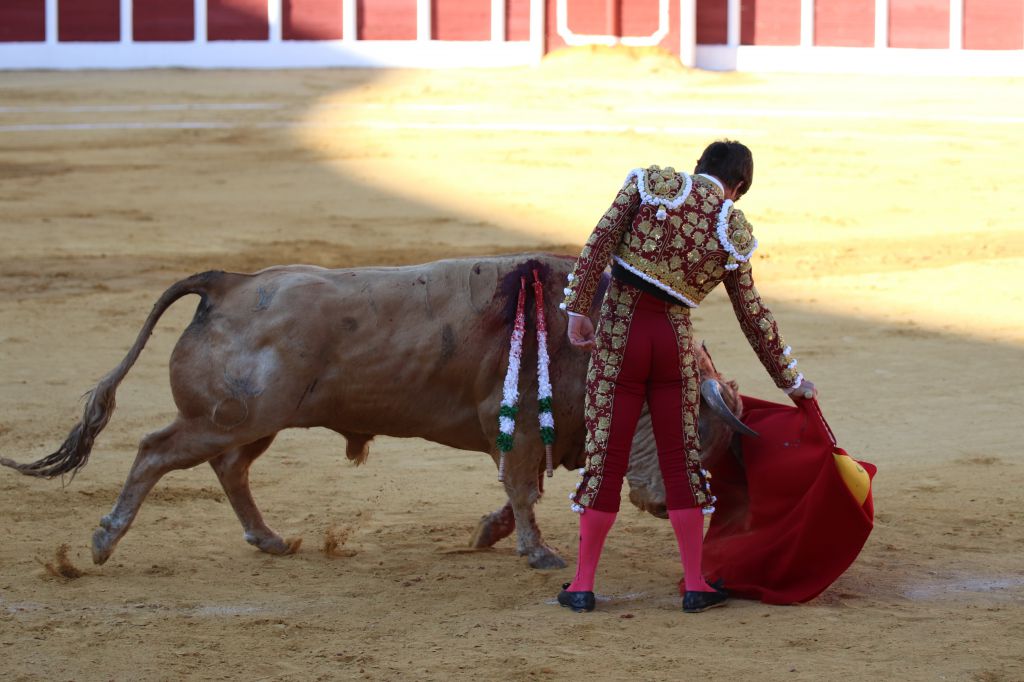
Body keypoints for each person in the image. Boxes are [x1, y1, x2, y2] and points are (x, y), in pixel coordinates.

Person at [556, 140, 816, 614]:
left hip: (621, 333)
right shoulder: (731, 229)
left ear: (699, 166)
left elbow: (598, 244)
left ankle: (582, 585)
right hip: (674, 344)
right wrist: (791, 381)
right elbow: (753, 316)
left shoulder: (651, 184)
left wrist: (577, 310)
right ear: (739, 187)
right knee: (680, 464)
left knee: (606, 460)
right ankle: (696, 584)